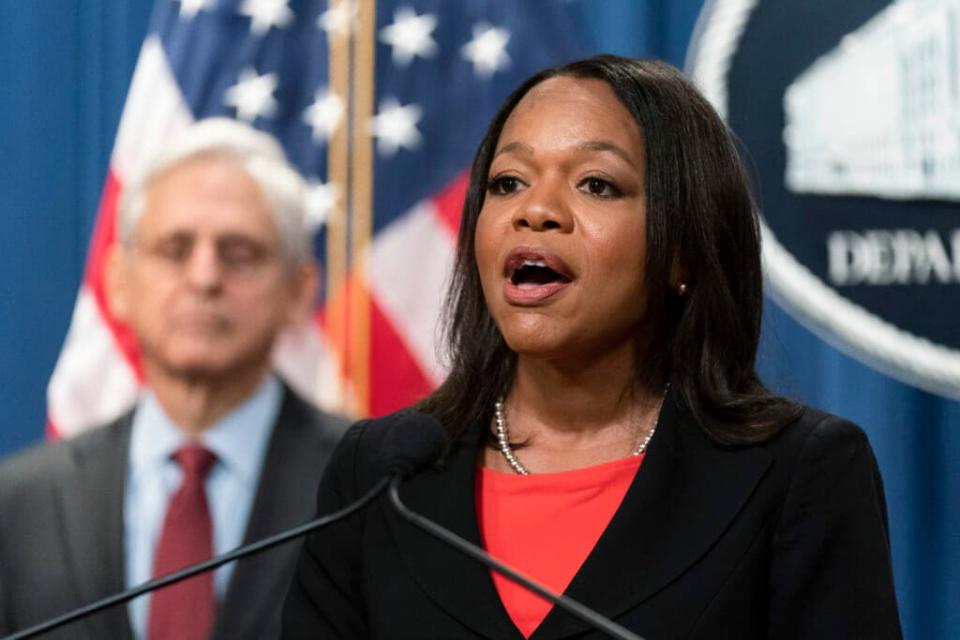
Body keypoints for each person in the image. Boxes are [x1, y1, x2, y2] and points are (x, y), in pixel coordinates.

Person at [281, 56, 902, 639]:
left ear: (682, 249)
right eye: (508, 182)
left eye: (597, 185)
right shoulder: (379, 473)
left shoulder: (796, 472)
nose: (537, 210)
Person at [0, 118, 348, 640]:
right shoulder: (20, 503)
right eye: (174, 249)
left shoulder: (366, 488)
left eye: (239, 253)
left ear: (299, 292)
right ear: (118, 283)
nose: (204, 278)